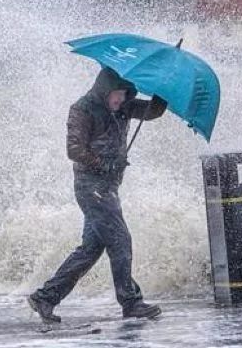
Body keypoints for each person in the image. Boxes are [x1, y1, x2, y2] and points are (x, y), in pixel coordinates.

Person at [28, 67, 167, 323]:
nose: (121, 100)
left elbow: (152, 111)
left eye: (125, 94)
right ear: (105, 90)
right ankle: (131, 302)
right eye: (117, 94)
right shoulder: (82, 109)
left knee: (91, 249)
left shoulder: (124, 106)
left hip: (108, 187)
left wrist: (163, 90)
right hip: (90, 187)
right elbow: (74, 150)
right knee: (120, 239)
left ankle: (45, 297)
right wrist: (104, 164)